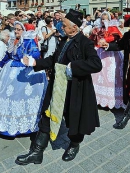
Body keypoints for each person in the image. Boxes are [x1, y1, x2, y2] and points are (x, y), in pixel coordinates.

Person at [16, 9, 102, 165]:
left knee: (74, 119)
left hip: (75, 89)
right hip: (56, 86)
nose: (61, 27)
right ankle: (36, 152)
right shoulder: (63, 40)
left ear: (74, 27)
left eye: (64, 24)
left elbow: (96, 64)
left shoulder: (85, 43)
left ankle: (74, 144)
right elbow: (53, 60)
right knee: (46, 116)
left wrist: (74, 67)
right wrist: (36, 63)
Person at [0, 21, 47, 137]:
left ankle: (23, 123)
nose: (16, 31)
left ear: (24, 31)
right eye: (15, 29)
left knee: (21, 97)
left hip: (24, 72)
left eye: (19, 29)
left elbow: (35, 54)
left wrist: (28, 58)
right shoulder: (12, 41)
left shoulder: (28, 41)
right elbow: (8, 55)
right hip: (10, 72)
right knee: (8, 95)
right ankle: (9, 121)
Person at [89, 12, 125, 109]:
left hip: (111, 53)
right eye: (102, 19)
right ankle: (99, 99)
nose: (103, 21)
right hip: (100, 52)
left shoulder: (113, 27)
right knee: (99, 74)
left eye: (105, 19)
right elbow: (91, 39)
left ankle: (114, 99)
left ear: (109, 20)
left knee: (112, 74)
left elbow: (116, 37)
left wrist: (106, 39)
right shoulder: (98, 28)